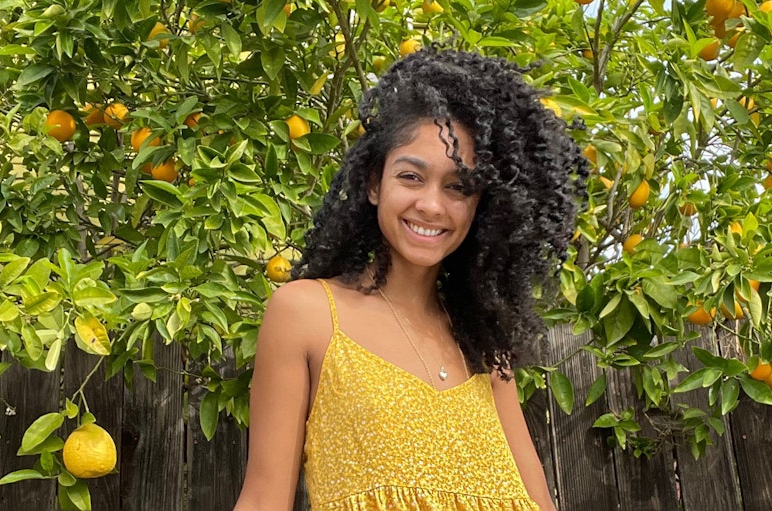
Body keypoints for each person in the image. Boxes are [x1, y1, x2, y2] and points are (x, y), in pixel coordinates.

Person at [234, 48, 588, 511]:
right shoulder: (307, 313)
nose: (432, 206)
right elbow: (264, 499)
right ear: (374, 183)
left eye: (458, 187)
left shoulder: (484, 350)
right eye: (411, 177)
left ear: (483, 206)